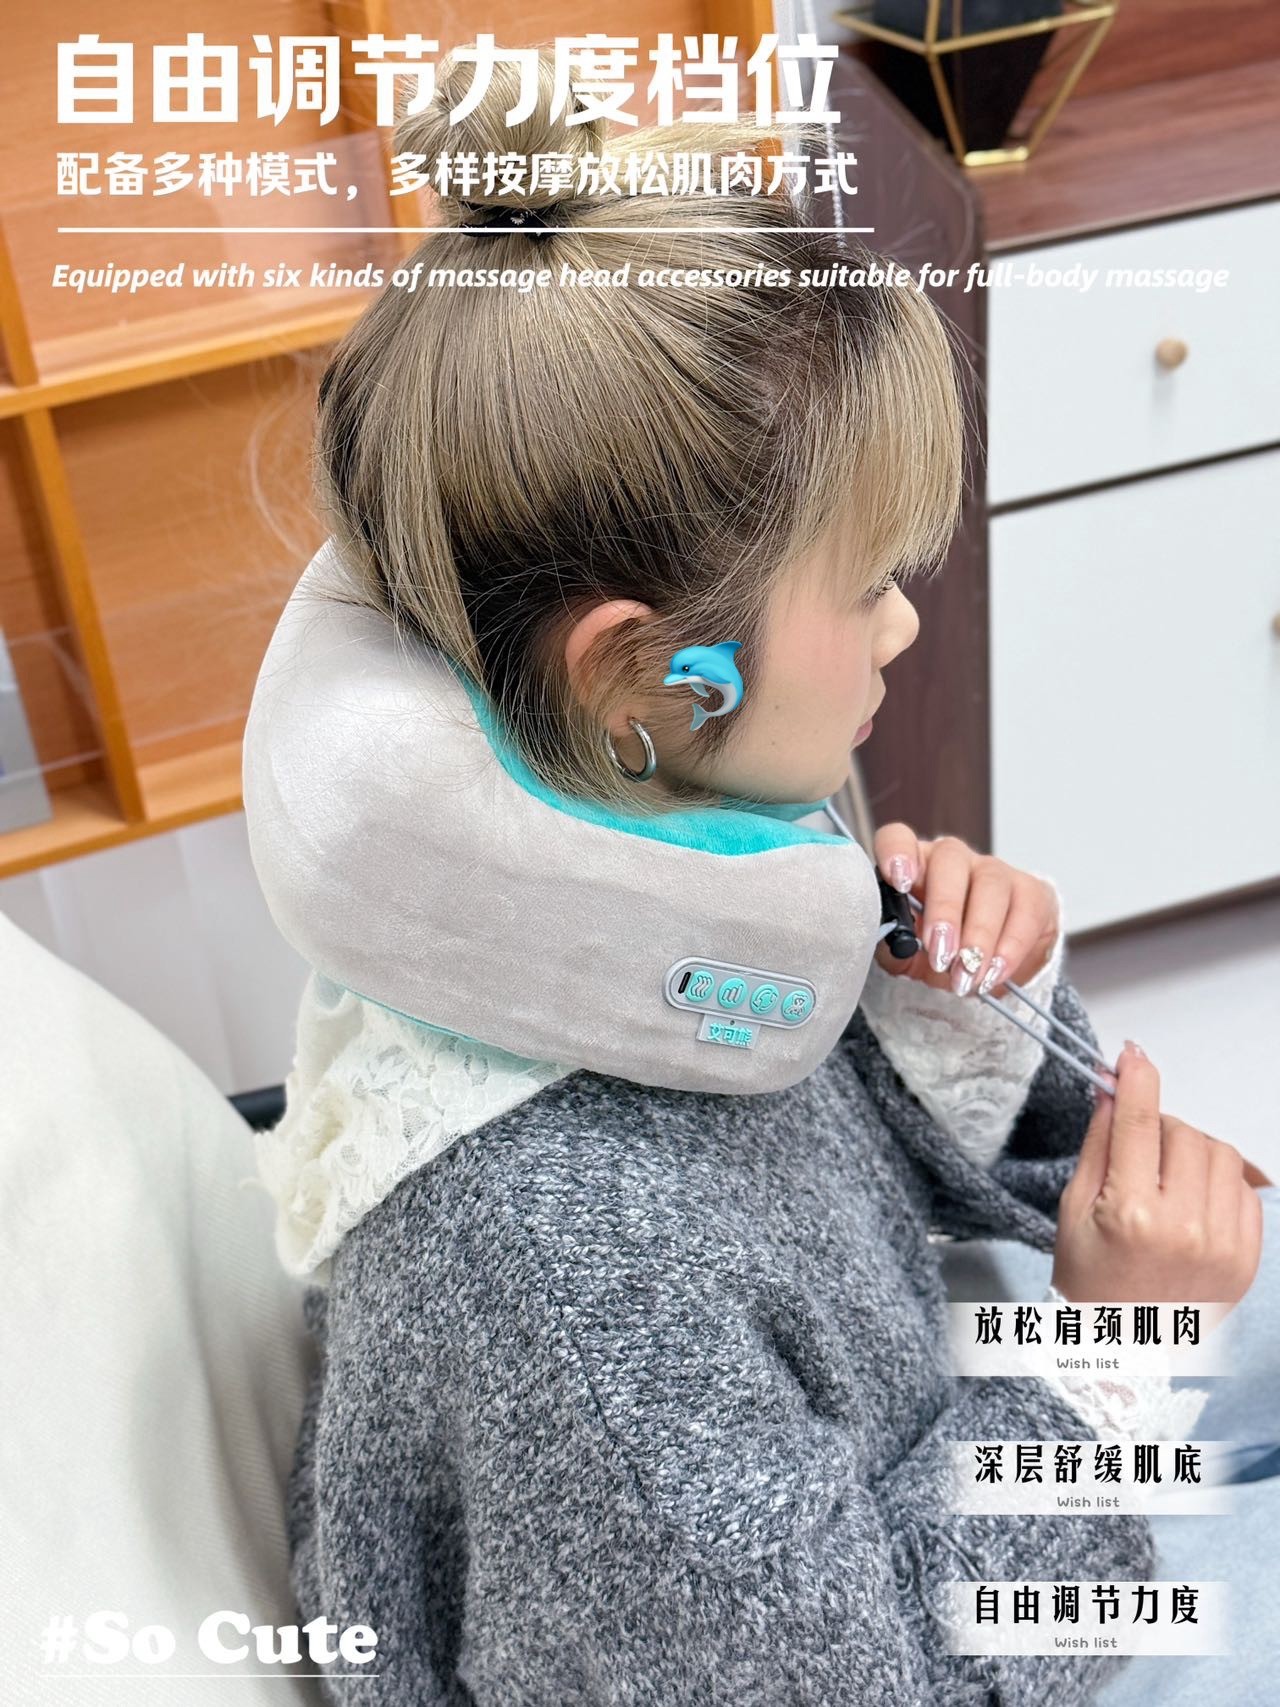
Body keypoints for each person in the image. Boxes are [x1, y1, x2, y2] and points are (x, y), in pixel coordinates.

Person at [245, 44, 1266, 1705]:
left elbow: (941, 1180)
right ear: (643, 667)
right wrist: (1111, 1361)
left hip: (916, 1460)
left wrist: (947, 1007)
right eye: (865, 584)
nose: (904, 625)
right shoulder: (571, 1285)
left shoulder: (635, 832)